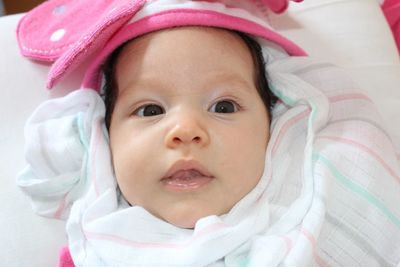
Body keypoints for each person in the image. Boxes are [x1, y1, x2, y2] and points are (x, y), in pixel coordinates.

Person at [16, 0, 400, 266]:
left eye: (224, 107)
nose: (186, 131)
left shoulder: (317, 233)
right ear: (103, 142)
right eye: (150, 110)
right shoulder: (98, 252)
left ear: (276, 126)